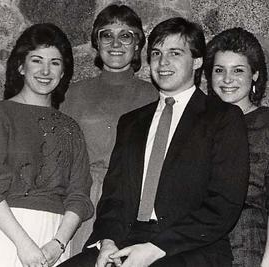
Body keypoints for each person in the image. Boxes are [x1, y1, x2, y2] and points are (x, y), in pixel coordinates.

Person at [59, 17, 249, 267]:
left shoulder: (223, 118)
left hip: (189, 248)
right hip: (126, 240)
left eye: (175, 53)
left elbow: (223, 205)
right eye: (157, 53)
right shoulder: (131, 122)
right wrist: (107, 241)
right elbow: (113, 198)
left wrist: (155, 249)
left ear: (198, 60)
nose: (163, 62)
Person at [60, 4, 158, 254]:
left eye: (125, 35)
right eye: (107, 34)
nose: (116, 43)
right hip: (82, 201)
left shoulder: (153, 96)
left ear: (137, 45)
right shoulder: (73, 94)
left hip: (131, 201)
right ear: (96, 42)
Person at [0, 23, 94, 267]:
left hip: (55, 239)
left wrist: (58, 244)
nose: (45, 70)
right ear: (20, 66)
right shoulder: (2, 115)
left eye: (55, 62)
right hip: (7, 234)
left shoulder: (71, 128)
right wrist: (23, 244)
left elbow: (80, 194)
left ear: (63, 72)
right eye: (37, 60)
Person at [204, 27, 269, 267]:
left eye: (238, 70)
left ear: (255, 74)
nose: (227, 79)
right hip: (198, 246)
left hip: (249, 243)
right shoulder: (198, 125)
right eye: (219, 70)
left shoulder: (265, 124)